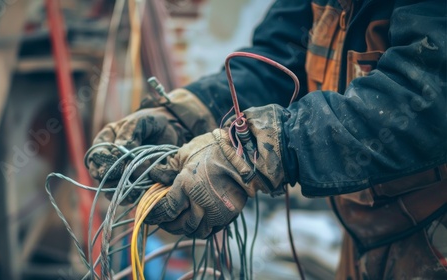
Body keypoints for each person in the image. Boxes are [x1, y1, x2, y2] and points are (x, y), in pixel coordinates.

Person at [86, 0, 447, 278]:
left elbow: (427, 94)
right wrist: (184, 115)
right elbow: (276, 62)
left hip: (435, 239)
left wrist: (260, 151)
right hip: (364, 240)